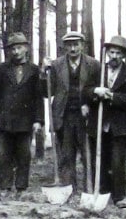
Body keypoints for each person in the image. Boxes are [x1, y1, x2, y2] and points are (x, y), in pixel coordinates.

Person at [43, 31, 100, 197]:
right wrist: (43, 72)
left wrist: (88, 104)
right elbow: (47, 91)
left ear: (82, 45)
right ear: (65, 47)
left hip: (86, 117)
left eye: (76, 44)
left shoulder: (94, 65)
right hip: (64, 115)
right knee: (67, 155)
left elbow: (97, 89)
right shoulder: (55, 65)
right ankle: (68, 189)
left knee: (88, 154)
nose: (73, 48)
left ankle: (89, 189)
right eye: (69, 45)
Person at [0, 32, 44, 197]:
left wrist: (38, 120)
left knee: (24, 155)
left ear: (26, 48)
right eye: (13, 48)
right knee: (4, 155)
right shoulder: (2, 69)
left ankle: (21, 188)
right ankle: (4, 187)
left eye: (19, 48)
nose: (16, 52)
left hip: (25, 122)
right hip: (4, 121)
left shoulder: (33, 70)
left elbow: (38, 97)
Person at [87, 36, 126, 208]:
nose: (115, 56)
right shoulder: (98, 71)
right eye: (112, 52)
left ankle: (119, 196)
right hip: (99, 123)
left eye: (119, 53)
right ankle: (103, 192)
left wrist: (111, 95)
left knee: (117, 162)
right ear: (107, 53)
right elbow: (85, 91)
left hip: (120, 125)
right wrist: (96, 90)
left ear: (124, 55)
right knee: (99, 160)